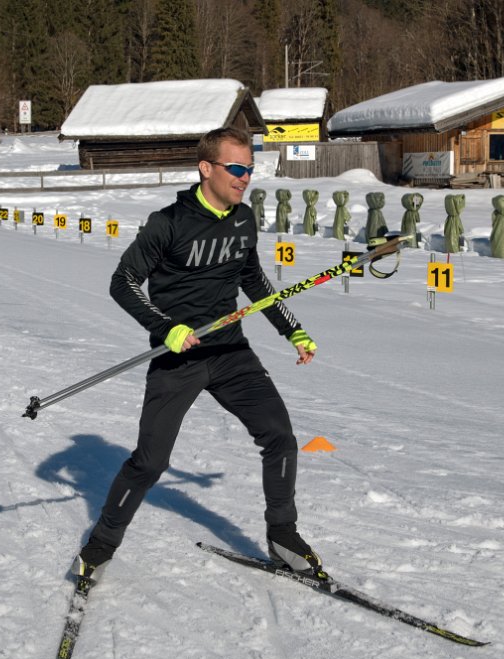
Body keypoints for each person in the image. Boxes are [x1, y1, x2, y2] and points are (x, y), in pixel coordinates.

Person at [75, 127, 325, 580]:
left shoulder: (244, 218)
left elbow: (255, 282)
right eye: (236, 168)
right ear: (206, 168)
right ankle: (100, 545)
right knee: (150, 462)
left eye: (250, 168)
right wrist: (164, 327)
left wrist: (293, 331)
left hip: (230, 351)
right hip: (179, 358)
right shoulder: (167, 223)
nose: (245, 177)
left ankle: (283, 535)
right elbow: (123, 282)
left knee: (280, 436)